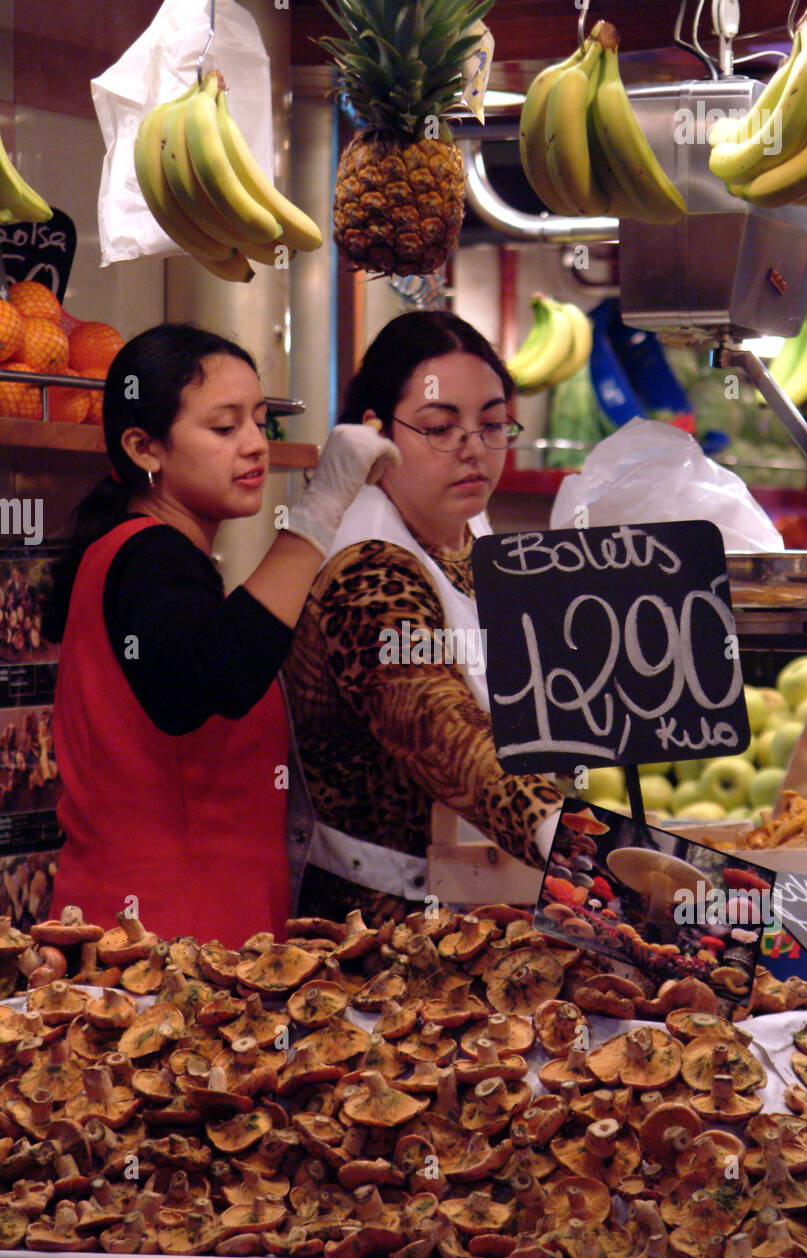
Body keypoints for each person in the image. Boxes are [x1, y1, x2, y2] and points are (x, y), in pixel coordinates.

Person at [42, 323, 399, 947]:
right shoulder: (149, 556)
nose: (256, 445)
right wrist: (321, 508)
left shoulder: (147, 558)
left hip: (172, 935)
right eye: (224, 427)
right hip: (163, 947)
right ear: (144, 448)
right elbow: (218, 675)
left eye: (261, 421)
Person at [284, 310, 564, 927]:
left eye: (492, 425)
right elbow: (445, 733)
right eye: (440, 428)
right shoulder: (366, 572)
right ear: (374, 437)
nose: (474, 449)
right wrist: (572, 849)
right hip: (373, 934)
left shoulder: (466, 532)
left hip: (479, 896)